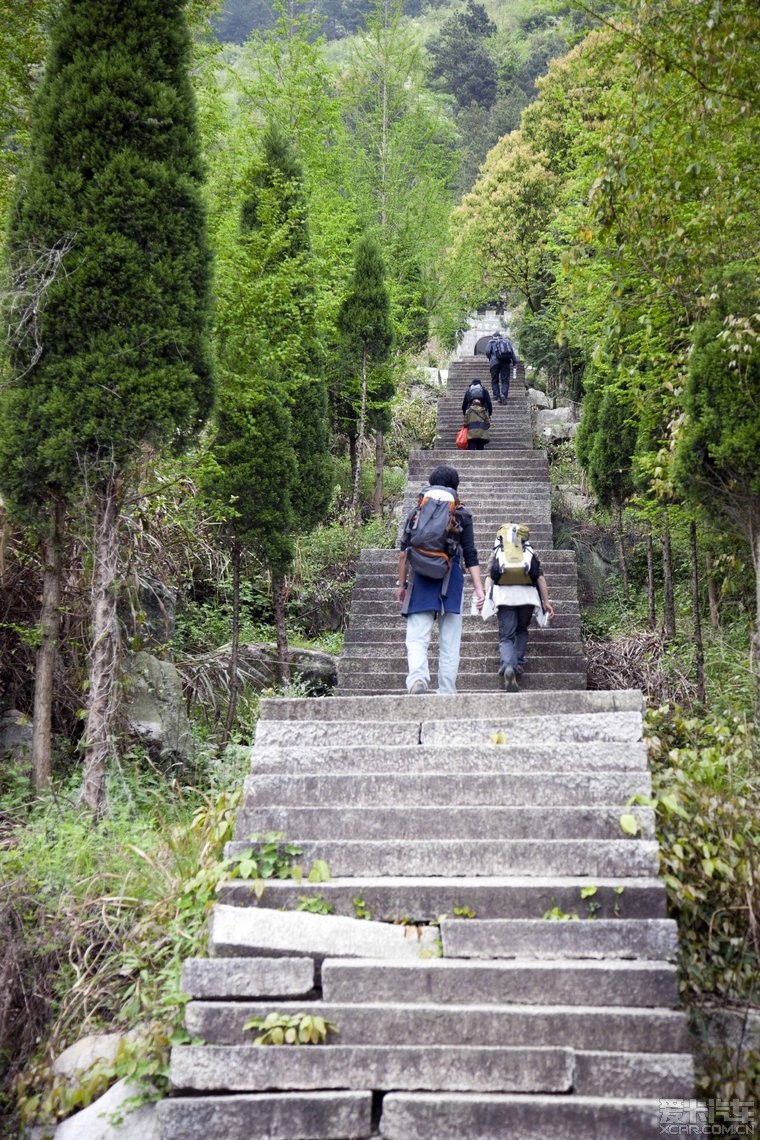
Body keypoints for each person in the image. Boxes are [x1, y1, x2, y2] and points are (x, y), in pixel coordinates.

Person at [397, 464, 485, 694]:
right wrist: (479, 589)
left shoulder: (417, 510)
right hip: (451, 579)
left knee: (417, 636)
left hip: (421, 577)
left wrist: (403, 584)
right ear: (456, 487)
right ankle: (446, 690)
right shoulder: (461, 513)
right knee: (450, 641)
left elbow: (403, 552)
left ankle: (417, 679)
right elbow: (471, 553)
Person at [483, 525, 555, 692]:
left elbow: (489, 577)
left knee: (506, 637)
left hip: (505, 597)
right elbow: (540, 578)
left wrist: (489, 597)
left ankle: (509, 666)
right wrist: (546, 602)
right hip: (527, 597)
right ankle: (516, 662)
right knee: (522, 629)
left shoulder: (498, 551)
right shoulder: (529, 551)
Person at [485, 330, 517, 405]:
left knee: (495, 380)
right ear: (500, 336)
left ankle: (497, 396)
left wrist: (491, 358)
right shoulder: (506, 341)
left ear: (493, 336)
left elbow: (487, 351)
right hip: (505, 362)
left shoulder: (491, 342)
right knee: (505, 380)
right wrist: (514, 362)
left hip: (494, 363)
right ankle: (504, 395)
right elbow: (512, 352)